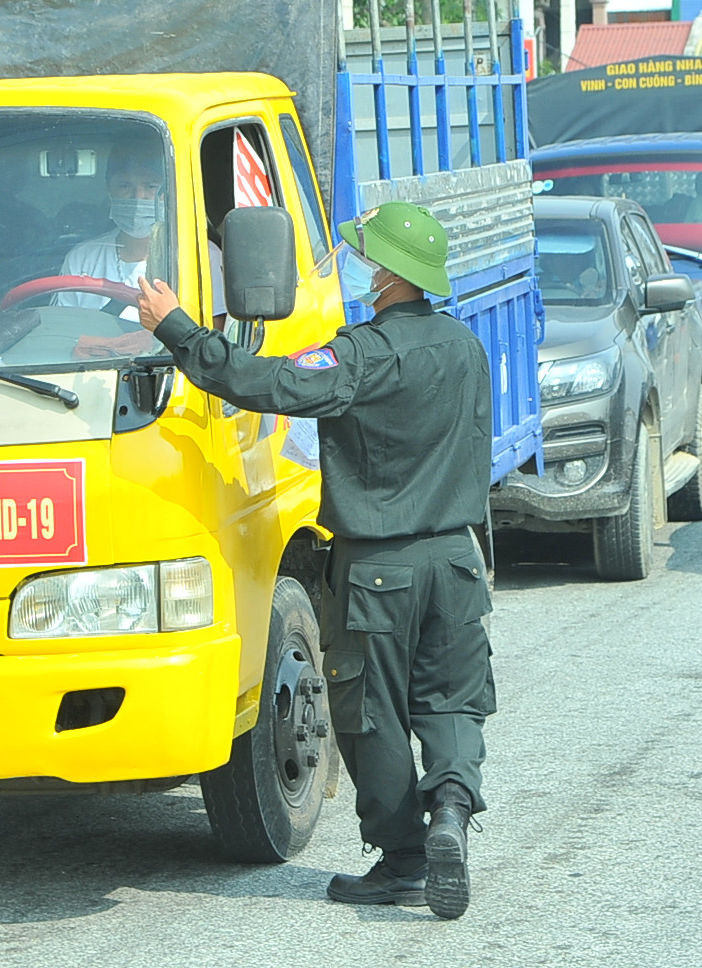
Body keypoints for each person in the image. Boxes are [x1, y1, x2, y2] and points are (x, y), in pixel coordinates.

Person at [136, 201, 493, 920]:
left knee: (374, 718)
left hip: (380, 569)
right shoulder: (465, 347)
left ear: (391, 273)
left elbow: (272, 383)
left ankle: (403, 861)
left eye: (368, 257)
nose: (360, 267)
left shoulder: (361, 354)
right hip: (458, 560)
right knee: (452, 702)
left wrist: (177, 328)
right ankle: (452, 808)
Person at [52, 146, 226, 325]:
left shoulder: (202, 256)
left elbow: (213, 336)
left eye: (150, 186)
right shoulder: (82, 258)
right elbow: (63, 332)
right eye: (125, 186)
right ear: (109, 190)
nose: (138, 197)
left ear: (167, 191)